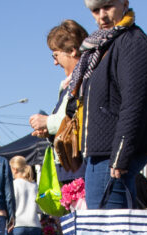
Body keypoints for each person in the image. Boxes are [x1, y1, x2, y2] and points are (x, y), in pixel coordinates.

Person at [73, 0, 147, 210]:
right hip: (102, 152)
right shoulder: (102, 45)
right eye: (95, 10)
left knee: (109, 230)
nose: (101, 16)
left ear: (124, 3)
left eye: (107, 7)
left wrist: (121, 154)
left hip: (112, 153)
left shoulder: (132, 42)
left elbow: (135, 103)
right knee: (110, 227)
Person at [29, 20, 89, 179]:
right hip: (69, 164)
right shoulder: (71, 83)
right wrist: (48, 131)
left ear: (72, 51)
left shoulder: (85, 80)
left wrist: (47, 122)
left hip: (78, 165)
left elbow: (79, 117)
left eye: (56, 55)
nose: (55, 62)